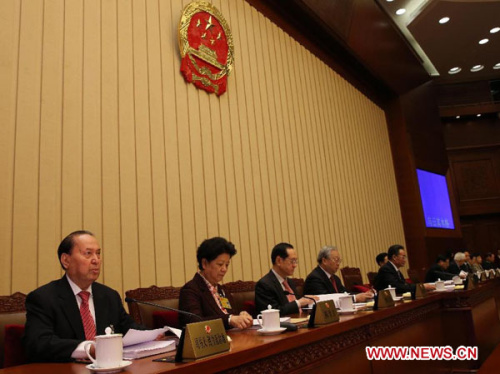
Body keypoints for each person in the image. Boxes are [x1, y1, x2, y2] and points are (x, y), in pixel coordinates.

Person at [23, 230, 145, 363]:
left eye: (98, 253)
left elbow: (129, 329)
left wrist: (156, 334)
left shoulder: (109, 296)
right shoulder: (43, 298)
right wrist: (89, 348)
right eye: (88, 253)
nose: (96, 260)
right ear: (66, 260)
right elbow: (39, 343)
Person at [179, 237, 253, 330]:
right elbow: (194, 323)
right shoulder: (190, 290)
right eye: (220, 264)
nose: (224, 269)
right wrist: (230, 319)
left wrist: (241, 317)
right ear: (204, 263)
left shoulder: (222, 290)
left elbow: (230, 315)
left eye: (227, 265)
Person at [255, 243, 318, 316]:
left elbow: (298, 306)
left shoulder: (290, 282)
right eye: (292, 261)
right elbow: (272, 313)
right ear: (279, 261)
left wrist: (308, 301)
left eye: (296, 261)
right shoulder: (264, 285)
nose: (295, 265)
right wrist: (299, 303)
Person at [304, 246, 373, 302]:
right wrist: (354, 298)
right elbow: (327, 301)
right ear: (324, 261)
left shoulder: (335, 278)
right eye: (336, 260)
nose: (338, 264)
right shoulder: (314, 278)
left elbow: (345, 293)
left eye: (339, 261)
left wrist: (364, 295)